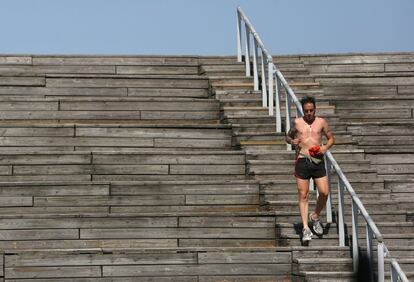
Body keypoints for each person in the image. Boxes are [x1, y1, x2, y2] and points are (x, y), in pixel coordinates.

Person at [285, 96, 335, 242]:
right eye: (306, 111)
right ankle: (306, 228)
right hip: (302, 159)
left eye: (311, 110)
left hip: (317, 160)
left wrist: (325, 147)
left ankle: (315, 215)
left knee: (325, 192)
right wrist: (292, 141)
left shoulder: (321, 122)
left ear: (315, 109)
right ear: (303, 110)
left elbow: (331, 138)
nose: (309, 113)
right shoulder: (297, 123)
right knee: (303, 194)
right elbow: (287, 137)